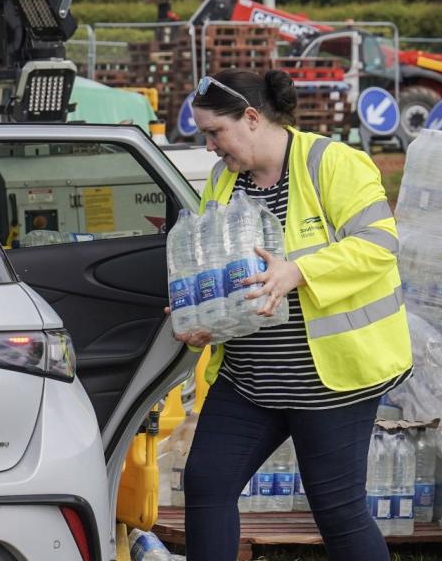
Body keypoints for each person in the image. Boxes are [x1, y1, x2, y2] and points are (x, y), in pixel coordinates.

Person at [170, 68, 412, 561]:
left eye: (215, 132)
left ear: (253, 118)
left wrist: (296, 271)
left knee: (337, 510)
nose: (210, 147)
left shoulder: (333, 163)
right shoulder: (222, 179)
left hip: (330, 379)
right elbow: (217, 265)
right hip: (250, 378)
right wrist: (199, 313)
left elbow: (380, 244)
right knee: (206, 483)